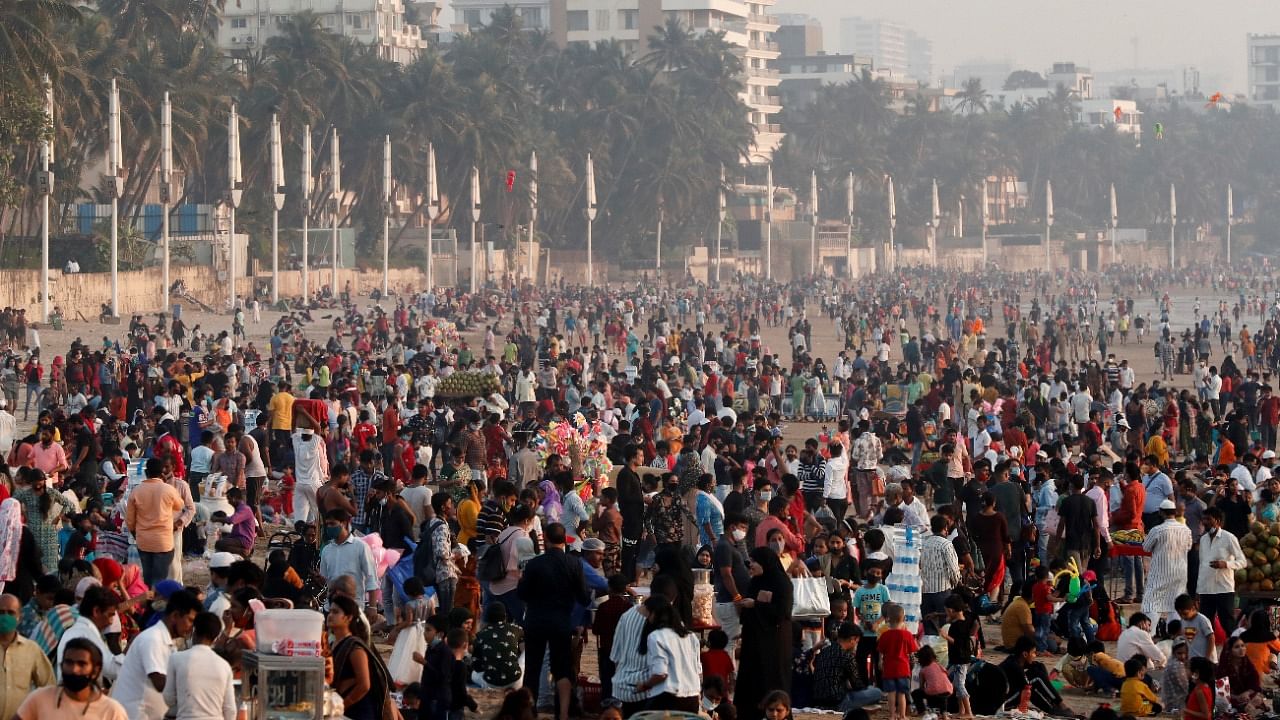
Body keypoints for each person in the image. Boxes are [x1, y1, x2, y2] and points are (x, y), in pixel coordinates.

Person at [517, 523, 589, 720]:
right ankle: (563, 713)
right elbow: (584, 597)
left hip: (536, 621)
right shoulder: (574, 563)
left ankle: (529, 713)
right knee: (562, 669)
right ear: (565, 538)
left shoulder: (534, 564)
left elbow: (522, 593)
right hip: (561, 622)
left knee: (532, 669)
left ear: (546, 538)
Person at [109, 589, 200, 720]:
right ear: (175, 616)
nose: (191, 627)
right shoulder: (153, 639)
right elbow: (160, 683)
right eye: (190, 620)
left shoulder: (168, 643)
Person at [734, 546, 793, 720]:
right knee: (751, 682)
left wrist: (756, 606)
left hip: (774, 644)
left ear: (765, 562)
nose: (750, 565)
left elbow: (783, 612)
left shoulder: (782, 583)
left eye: (754, 562)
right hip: (754, 641)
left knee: (772, 681)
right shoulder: (755, 582)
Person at [17, 638, 128, 720]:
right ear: (61, 665)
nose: (74, 669)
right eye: (69, 663)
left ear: (95, 671)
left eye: (82, 664)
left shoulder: (112, 711)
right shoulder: (40, 698)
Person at [162, 611, 236, 720]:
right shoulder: (224, 666)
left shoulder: (176, 659)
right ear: (215, 637)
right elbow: (230, 709)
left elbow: (168, 698)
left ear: (193, 630)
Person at [634, 594, 702, 712]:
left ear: (654, 615)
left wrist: (644, 685)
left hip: (668, 698)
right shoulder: (691, 637)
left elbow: (661, 674)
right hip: (692, 697)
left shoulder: (656, 636)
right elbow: (698, 670)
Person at [328, 594, 390, 720]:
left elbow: (364, 685)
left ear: (348, 618)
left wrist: (343, 706)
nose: (330, 615)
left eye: (335, 612)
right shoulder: (334, 644)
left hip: (357, 711)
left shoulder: (355, 648)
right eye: (330, 611)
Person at [124, 458, 185, 586]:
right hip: (163, 542)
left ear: (146, 472)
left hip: (144, 541)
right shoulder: (168, 489)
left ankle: (148, 601)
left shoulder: (136, 491)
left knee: (148, 576)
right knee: (160, 578)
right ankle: (156, 603)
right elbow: (180, 505)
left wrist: (136, 534)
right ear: (162, 472)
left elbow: (130, 520)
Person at [0, 593, 53, 720]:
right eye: (1, 612)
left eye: (11, 613)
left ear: (20, 616)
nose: (5, 617)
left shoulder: (31, 649)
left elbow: (49, 687)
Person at [57, 586, 124, 685]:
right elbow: (113, 669)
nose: (111, 622)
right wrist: (132, 650)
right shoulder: (86, 635)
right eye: (110, 615)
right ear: (96, 611)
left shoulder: (76, 631)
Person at [1141, 498, 1192, 627]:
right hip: (1179, 572)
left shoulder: (1157, 530)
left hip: (1160, 572)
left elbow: (1145, 547)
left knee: (1152, 603)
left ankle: (1149, 632)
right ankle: (1174, 634)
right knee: (1175, 604)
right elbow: (1189, 546)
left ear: (1162, 513)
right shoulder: (1186, 529)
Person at [1196, 506, 1245, 638]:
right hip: (1206, 589)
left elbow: (1242, 561)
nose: (1205, 522)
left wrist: (1226, 564)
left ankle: (1236, 650)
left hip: (1224, 588)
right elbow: (1202, 565)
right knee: (1205, 625)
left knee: (1228, 624)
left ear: (1217, 521)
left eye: (1208, 519)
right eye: (1204, 519)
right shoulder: (1203, 539)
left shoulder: (1229, 538)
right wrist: (1198, 590)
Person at [810, 623, 882, 711]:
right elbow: (857, 685)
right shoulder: (847, 656)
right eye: (857, 642)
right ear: (852, 639)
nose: (856, 645)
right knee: (876, 692)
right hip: (839, 702)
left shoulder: (824, 651)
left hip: (818, 700)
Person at [318, 509, 379, 606]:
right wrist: (320, 579)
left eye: (333, 524)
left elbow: (371, 579)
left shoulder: (360, 546)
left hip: (354, 606)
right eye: (327, 524)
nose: (329, 527)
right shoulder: (326, 550)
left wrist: (372, 607)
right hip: (331, 606)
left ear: (344, 523)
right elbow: (326, 580)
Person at [998, 636, 1073, 715]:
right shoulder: (1014, 665)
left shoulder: (1017, 659)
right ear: (1025, 654)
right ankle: (1059, 704)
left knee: (1039, 667)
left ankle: (1052, 706)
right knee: (1035, 678)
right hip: (1001, 704)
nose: (1035, 655)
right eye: (1033, 653)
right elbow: (1027, 688)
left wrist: (1039, 668)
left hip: (1008, 696)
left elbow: (1038, 667)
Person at [877, 603, 916, 720]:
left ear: (888, 619)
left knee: (891, 693)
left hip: (889, 667)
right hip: (903, 668)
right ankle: (903, 715)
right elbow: (912, 651)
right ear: (903, 618)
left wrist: (880, 661)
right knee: (902, 693)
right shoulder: (907, 635)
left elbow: (880, 651)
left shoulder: (885, 635)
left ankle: (892, 715)